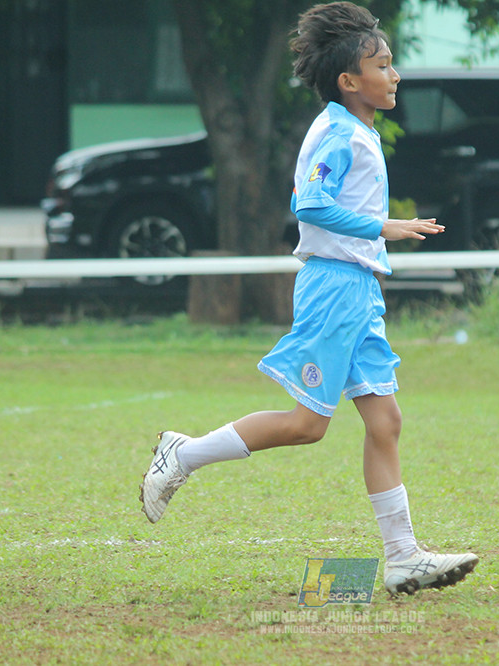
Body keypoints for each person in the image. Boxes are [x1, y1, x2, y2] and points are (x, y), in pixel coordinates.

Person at [139, 1, 478, 597]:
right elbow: (309, 206)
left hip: (359, 289)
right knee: (306, 425)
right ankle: (183, 453)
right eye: (384, 64)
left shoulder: (356, 128)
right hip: (334, 288)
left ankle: (401, 557)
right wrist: (387, 227)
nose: (394, 74)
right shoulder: (337, 132)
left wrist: (380, 236)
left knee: (385, 421)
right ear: (350, 81)